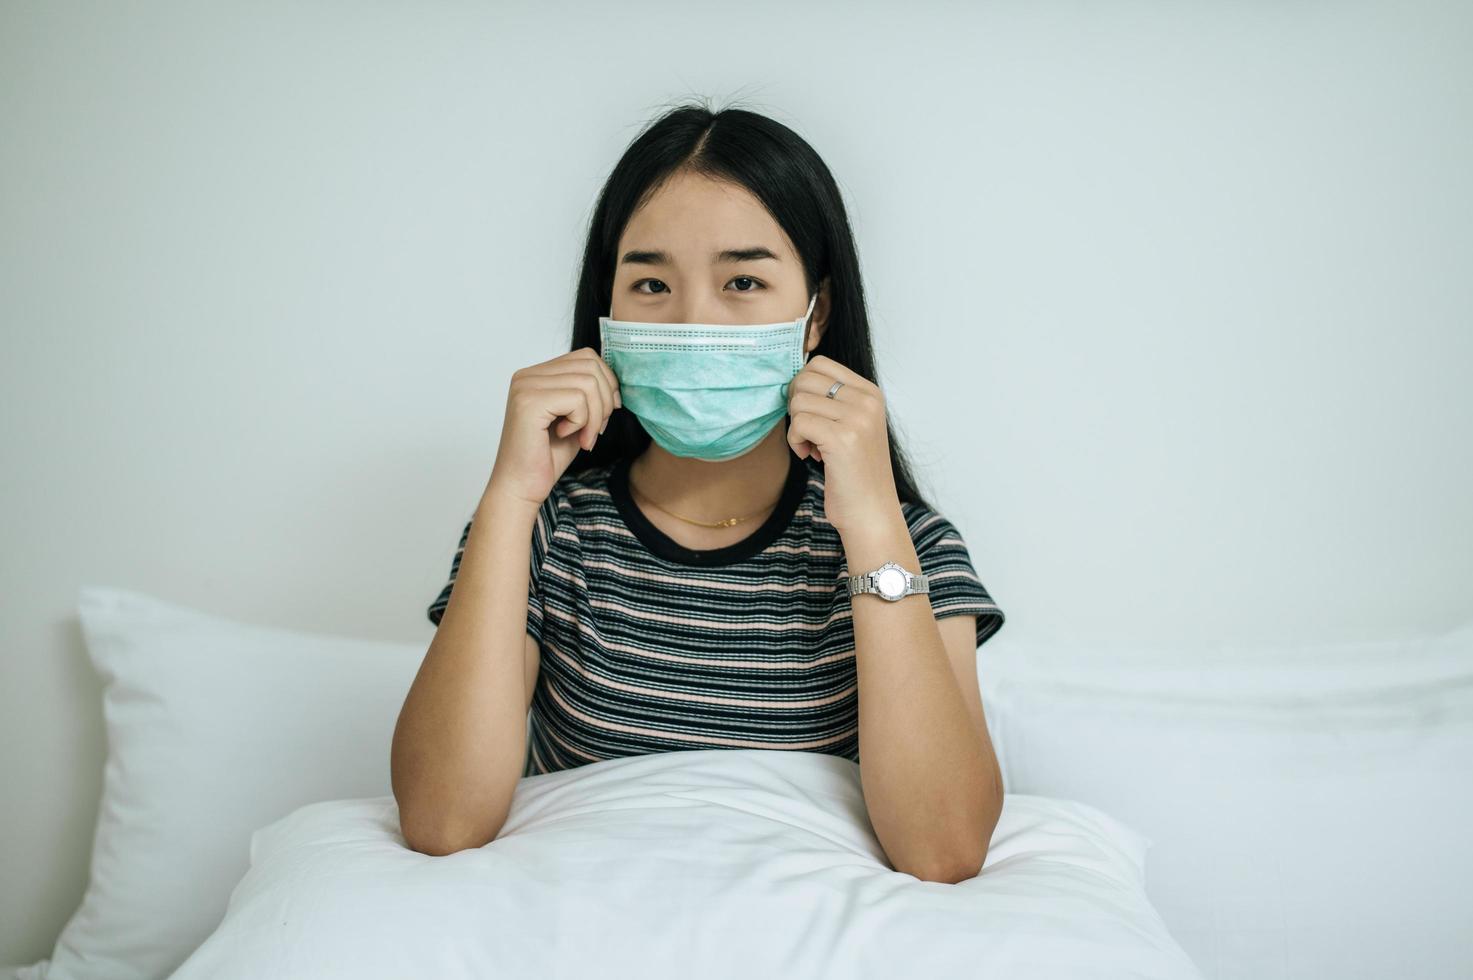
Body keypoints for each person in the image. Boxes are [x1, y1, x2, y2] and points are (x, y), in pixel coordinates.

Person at [392, 101, 1006, 880]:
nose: (690, 322)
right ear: (606, 308)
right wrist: (511, 502)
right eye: (650, 283)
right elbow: (440, 820)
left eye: (743, 280)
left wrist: (874, 524)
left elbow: (944, 849)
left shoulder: (909, 547)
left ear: (815, 315)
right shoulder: (551, 535)